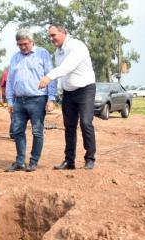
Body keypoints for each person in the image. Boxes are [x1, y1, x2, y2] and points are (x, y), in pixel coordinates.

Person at [38, 24, 96, 170]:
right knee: (69, 127)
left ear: (63, 32)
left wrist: (48, 77)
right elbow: (60, 74)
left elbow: (67, 67)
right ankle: (69, 161)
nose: (51, 39)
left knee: (85, 123)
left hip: (85, 90)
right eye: (49, 36)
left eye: (53, 35)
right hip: (68, 93)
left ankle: (90, 158)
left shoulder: (77, 46)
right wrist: (52, 97)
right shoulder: (58, 52)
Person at [5, 28, 57, 172]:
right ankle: (20, 161)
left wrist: (51, 98)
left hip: (38, 100)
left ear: (32, 41)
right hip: (18, 101)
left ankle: (33, 162)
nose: (22, 47)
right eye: (19, 44)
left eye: (25, 44)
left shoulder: (43, 54)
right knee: (17, 131)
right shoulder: (15, 57)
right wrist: (10, 101)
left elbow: (51, 76)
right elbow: (10, 80)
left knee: (37, 132)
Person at [0, 67, 15, 139]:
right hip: (10, 98)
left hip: (20, 97)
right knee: (13, 115)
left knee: (17, 116)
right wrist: (0, 98)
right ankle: (13, 133)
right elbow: (1, 87)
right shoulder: (6, 73)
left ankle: (13, 133)